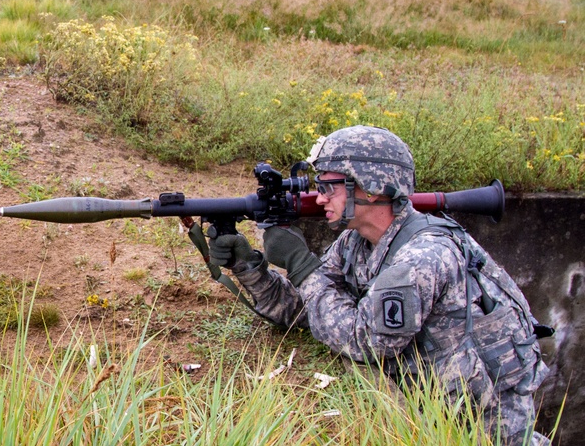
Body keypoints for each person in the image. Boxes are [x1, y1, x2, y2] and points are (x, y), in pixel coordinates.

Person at [208, 125, 551, 445]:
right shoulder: (355, 242)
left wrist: (301, 265)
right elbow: (307, 309)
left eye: (328, 186)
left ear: (370, 188)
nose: (320, 198)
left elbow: (366, 343)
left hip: (479, 431)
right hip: (429, 404)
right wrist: (248, 267)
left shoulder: (423, 258)